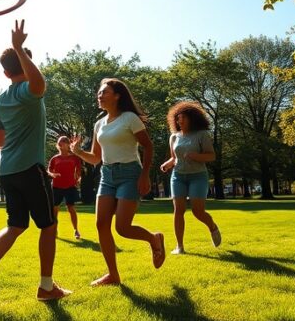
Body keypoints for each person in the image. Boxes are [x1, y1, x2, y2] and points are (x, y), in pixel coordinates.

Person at [0, 19, 71, 311]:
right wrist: (19, 48)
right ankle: (46, 286)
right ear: (28, 65)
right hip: (30, 167)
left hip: (7, 169)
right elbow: (39, 84)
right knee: (49, 225)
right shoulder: (29, 91)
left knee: (15, 225)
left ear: (5, 73)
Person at [70, 78, 165, 287]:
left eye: (104, 92)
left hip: (130, 174)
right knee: (101, 224)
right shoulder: (99, 124)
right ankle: (113, 275)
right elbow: (96, 158)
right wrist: (78, 152)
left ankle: (154, 239)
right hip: (107, 175)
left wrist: (145, 175)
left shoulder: (129, 118)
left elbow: (148, 146)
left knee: (122, 228)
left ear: (117, 96)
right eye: (99, 92)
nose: (100, 95)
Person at [159, 101, 221, 253]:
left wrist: (195, 156)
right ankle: (179, 246)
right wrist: (167, 164)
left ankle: (212, 227)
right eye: (178, 118)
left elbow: (211, 156)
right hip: (178, 176)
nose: (179, 120)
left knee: (197, 211)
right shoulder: (174, 137)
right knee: (178, 210)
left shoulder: (201, 135)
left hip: (197, 176)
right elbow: (174, 158)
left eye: (183, 117)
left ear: (192, 118)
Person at [48, 135, 82, 240]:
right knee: (55, 209)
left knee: (71, 208)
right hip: (56, 186)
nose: (61, 143)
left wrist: (78, 179)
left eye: (63, 141)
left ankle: (76, 230)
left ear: (68, 144)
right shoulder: (54, 159)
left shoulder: (74, 158)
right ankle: (54, 230)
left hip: (70, 186)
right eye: (59, 142)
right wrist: (52, 174)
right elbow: (49, 170)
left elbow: (78, 170)